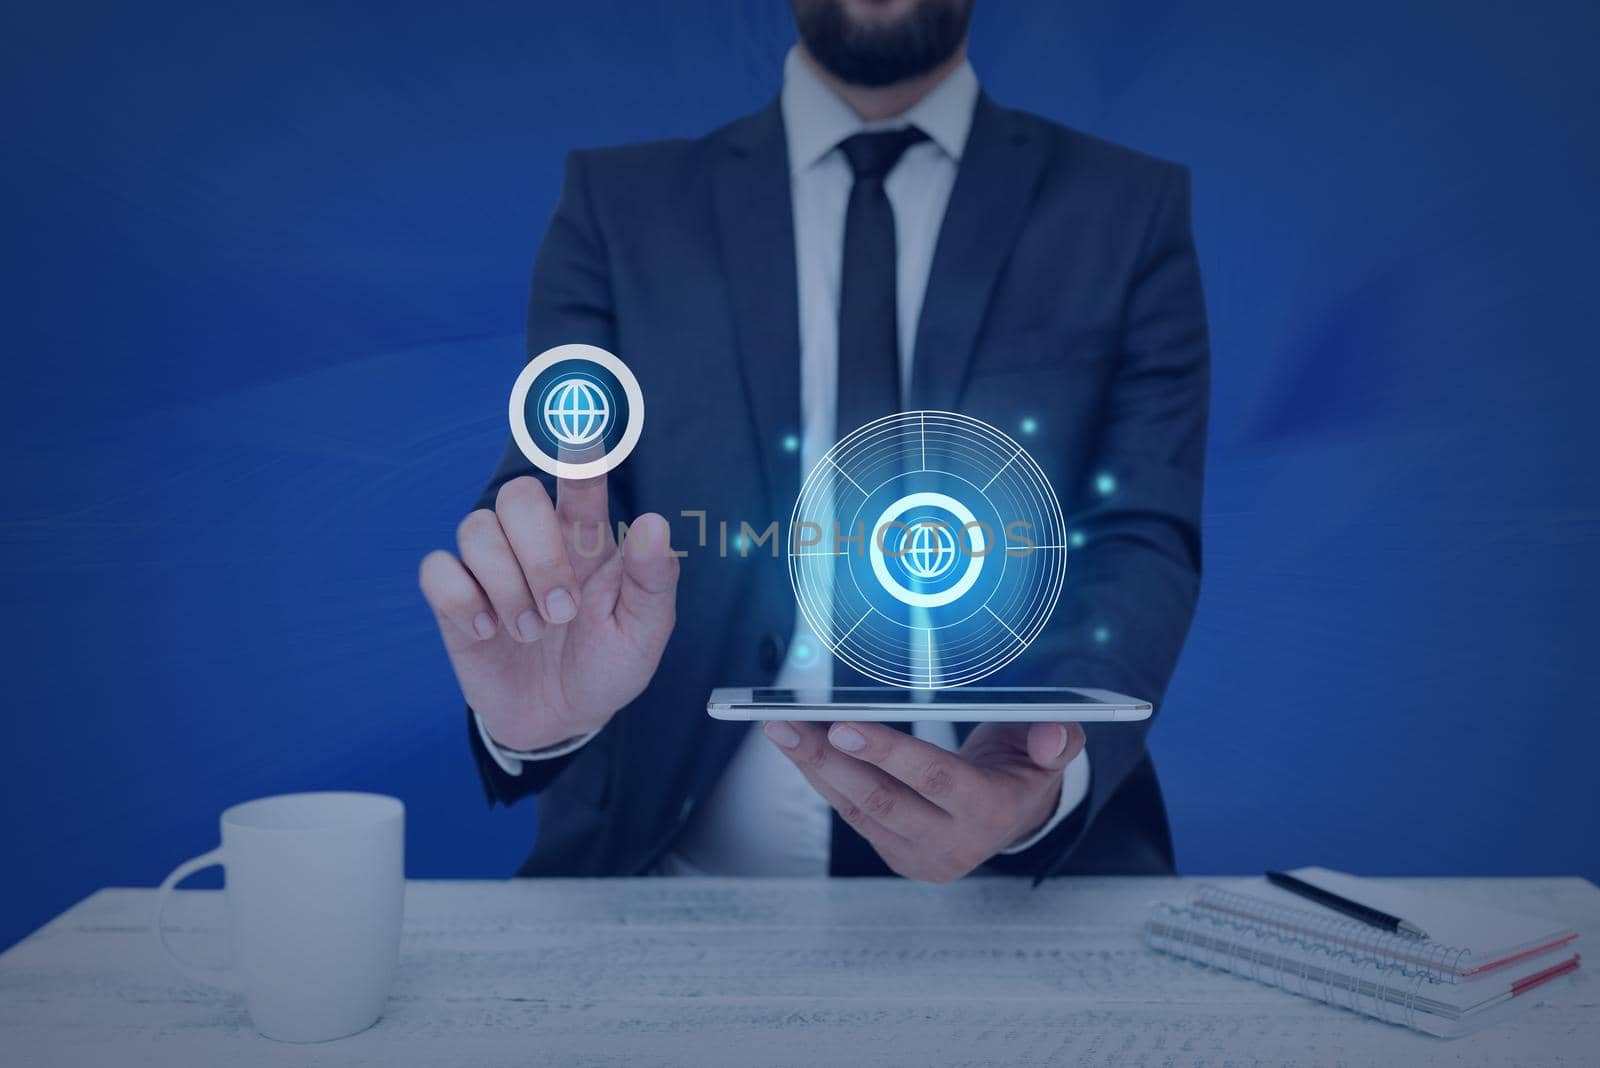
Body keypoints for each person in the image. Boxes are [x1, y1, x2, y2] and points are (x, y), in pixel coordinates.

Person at [418, 0, 1207, 881]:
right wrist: (538, 645)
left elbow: (1140, 529)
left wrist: (1042, 768)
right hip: (674, 889)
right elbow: (564, 485)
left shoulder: (1126, 210)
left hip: (1029, 878)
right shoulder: (621, 210)